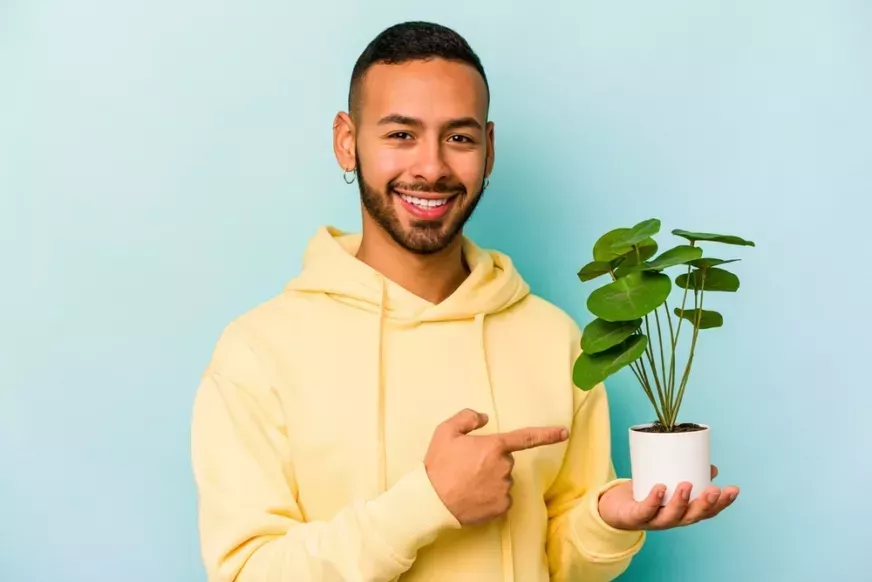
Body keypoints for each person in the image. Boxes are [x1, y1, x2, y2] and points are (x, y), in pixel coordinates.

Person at [189, 21, 739, 582]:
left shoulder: (553, 338)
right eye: (401, 135)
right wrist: (426, 505)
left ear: (489, 148)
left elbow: (561, 557)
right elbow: (247, 572)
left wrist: (605, 520)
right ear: (346, 141)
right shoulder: (257, 353)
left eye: (458, 137)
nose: (431, 167)